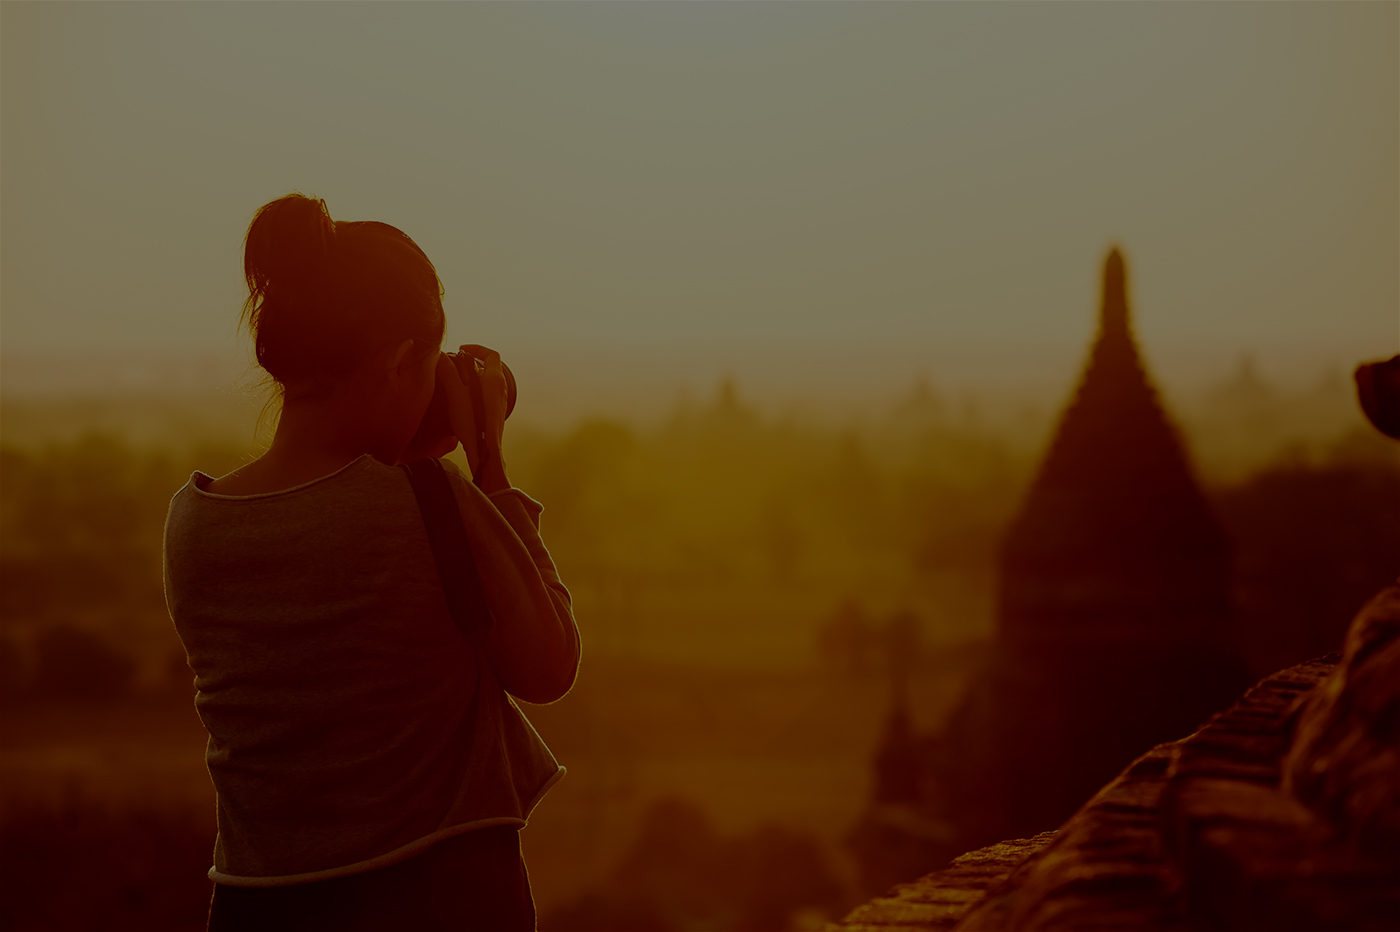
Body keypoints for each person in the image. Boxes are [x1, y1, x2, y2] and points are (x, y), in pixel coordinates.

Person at [163, 193, 580, 931]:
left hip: (257, 902)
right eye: (426, 369)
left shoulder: (193, 523)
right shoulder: (430, 501)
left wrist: (398, 458)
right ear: (395, 364)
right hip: (436, 897)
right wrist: (488, 464)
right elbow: (550, 665)